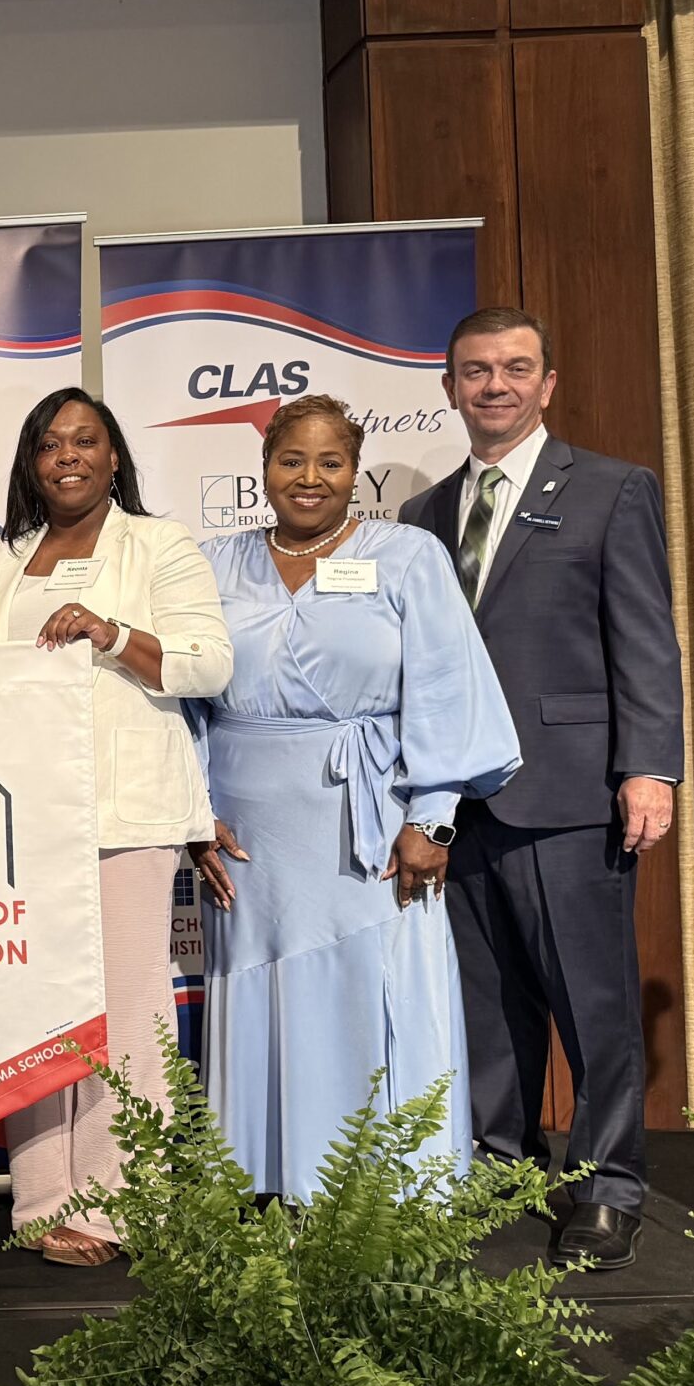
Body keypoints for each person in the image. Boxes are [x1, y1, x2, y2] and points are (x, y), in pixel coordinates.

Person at [400, 307, 682, 1269]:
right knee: (489, 1003)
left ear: (547, 384)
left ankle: (607, 1186)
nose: (495, 386)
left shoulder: (611, 490)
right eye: (475, 370)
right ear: (448, 387)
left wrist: (649, 766)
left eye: (516, 368)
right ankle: (501, 1164)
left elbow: (644, 637)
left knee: (592, 1002)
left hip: (569, 792)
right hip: (457, 803)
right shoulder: (421, 518)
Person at [189, 395, 521, 1204]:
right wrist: (192, 811)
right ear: (263, 467)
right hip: (248, 833)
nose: (309, 479)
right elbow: (184, 698)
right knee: (263, 992)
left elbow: (446, 688)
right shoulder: (209, 562)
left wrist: (430, 815)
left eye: (329, 462)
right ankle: (267, 1182)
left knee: (370, 988)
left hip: (368, 820)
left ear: (355, 471)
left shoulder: (407, 555)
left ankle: (387, 1189)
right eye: (291, 461)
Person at [0, 388, 231, 1265]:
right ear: (32, 462)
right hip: (25, 816)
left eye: (86, 441)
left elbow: (207, 665)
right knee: (37, 1010)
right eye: (51, 443)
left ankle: (116, 1202)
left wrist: (111, 631)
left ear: (113, 456)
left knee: (128, 1010)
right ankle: (42, 1200)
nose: (69, 456)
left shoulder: (158, 544)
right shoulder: (6, 557)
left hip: (128, 809)